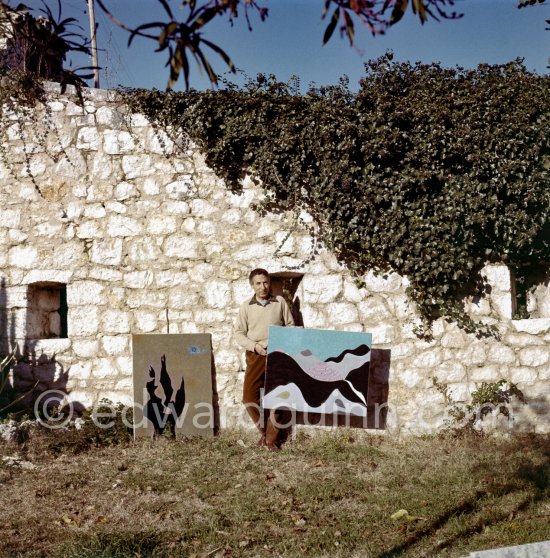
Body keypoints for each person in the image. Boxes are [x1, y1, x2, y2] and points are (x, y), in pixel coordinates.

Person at [234, 268, 295, 450]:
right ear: (252, 285)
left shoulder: (280, 302)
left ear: (270, 282)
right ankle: (265, 433)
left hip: (278, 354)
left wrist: (276, 341)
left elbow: (291, 327)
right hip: (256, 355)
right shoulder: (246, 306)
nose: (263, 286)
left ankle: (271, 441)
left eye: (266, 282)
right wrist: (255, 346)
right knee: (249, 397)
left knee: (277, 398)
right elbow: (238, 333)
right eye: (258, 283)